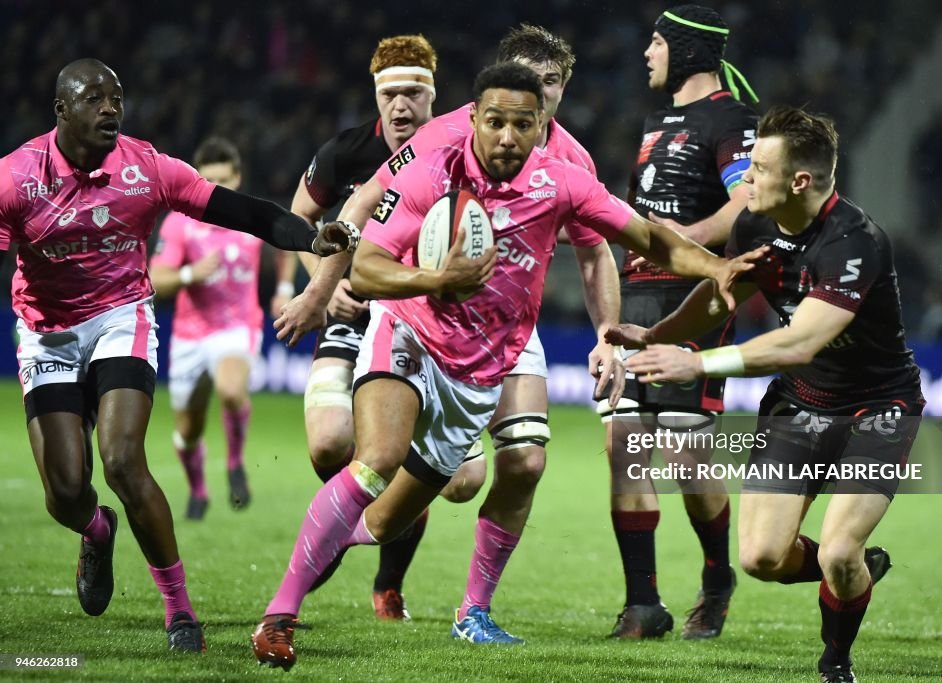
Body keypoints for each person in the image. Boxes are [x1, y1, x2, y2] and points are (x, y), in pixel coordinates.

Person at [251, 62, 762, 670]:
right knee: (375, 462)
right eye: (495, 122)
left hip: (481, 369)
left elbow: (649, 238)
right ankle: (278, 618)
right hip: (409, 332)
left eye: (523, 124)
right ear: (473, 119)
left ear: (541, 124)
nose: (507, 137)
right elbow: (366, 268)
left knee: (384, 523)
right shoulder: (430, 171)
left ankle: (379, 561)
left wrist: (715, 267)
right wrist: (436, 279)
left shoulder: (563, 182)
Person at [276, 24, 625, 636]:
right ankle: (332, 548)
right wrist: (324, 284)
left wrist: (608, 335)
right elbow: (359, 207)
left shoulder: (571, 162)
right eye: (523, 81)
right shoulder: (443, 136)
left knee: (523, 464)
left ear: (562, 90)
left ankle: (474, 610)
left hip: (511, 328)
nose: (532, 98)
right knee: (359, 458)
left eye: (547, 86)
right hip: (426, 314)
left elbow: (597, 255)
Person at [0, 59, 351, 652]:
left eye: (117, 97)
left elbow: (246, 211)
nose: (111, 108)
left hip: (121, 318)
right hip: (48, 331)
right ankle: (95, 528)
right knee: (65, 491)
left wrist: (310, 236)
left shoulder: (147, 167)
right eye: (94, 99)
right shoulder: (16, 179)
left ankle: (179, 611)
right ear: (61, 110)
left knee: (121, 460)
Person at [607, 106, 922, 683]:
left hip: (877, 409)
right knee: (761, 559)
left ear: (799, 180)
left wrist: (696, 360)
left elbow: (799, 341)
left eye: (756, 168)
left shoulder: (856, 243)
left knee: (836, 551)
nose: (744, 179)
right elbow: (716, 295)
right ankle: (854, 575)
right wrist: (655, 336)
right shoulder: (754, 225)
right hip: (800, 404)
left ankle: (836, 661)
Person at [600, 4, 758, 640]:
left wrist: (681, 240)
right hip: (638, 293)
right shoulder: (657, 118)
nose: (647, 53)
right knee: (624, 445)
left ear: (689, 51)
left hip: (698, 295)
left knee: (686, 451)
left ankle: (718, 575)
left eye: (657, 42)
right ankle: (643, 603)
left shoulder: (732, 119)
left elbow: (747, 203)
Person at [284, 34, 453, 621]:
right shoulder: (343, 154)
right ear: (375, 98)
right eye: (390, 94)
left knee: (455, 479)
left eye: (413, 92)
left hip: (424, 326)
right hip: (355, 316)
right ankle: (335, 526)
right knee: (330, 443)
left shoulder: (460, 153)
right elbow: (298, 218)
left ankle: (387, 582)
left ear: (433, 96)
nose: (401, 105)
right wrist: (325, 287)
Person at [151, 137, 279, 520]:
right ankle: (199, 492)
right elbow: (157, 280)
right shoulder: (180, 224)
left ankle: (235, 464)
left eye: (223, 179)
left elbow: (286, 243)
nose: (216, 189)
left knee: (230, 388)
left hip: (238, 326)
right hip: (190, 335)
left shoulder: (252, 217)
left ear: (237, 178)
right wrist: (190, 273)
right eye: (208, 181)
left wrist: (286, 289)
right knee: (188, 430)